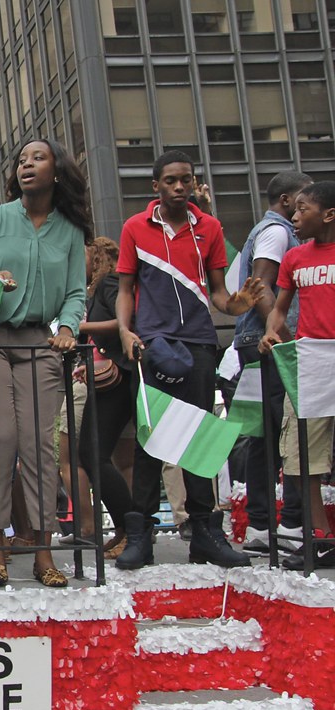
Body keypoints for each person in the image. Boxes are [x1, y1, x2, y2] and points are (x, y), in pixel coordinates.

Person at [115, 149, 264, 570]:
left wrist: (236, 306)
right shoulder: (135, 228)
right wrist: (126, 332)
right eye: (171, 181)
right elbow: (126, 289)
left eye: (186, 179)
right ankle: (140, 535)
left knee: (199, 439)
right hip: (152, 345)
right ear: (156, 186)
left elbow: (218, 292)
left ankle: (205, 534)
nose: (180, 187)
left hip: (198, 343)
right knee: (150, 440)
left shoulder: (210, 228)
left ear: (193, 183)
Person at [0, 138, 91, 588]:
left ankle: (43, 551)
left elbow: (76, 291)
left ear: (57, 170)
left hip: (43, 344)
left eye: (37, 158)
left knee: (40, 446)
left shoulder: (71, 230)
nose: (26, 165)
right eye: (21, 160)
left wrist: (68, 328)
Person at [232, 171, 313, 553]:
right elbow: (260, 285)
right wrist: (278, 336)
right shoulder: (278, 233)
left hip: (258, 340)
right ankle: (276, 525)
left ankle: (263, 527)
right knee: (282, 432)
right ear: (285, 201)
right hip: (270, 343)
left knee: (265, 433)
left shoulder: (270, 230)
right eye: (299, 202)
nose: (301, 212)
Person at [259, 181, 335, 569]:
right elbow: (279, 307)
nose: (294, 216)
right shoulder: (295, 258)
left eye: (303, 209)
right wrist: (273, 331)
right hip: (311, 363)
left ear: (328, 214)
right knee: (304, 454)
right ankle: (320, 539)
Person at [76, 236, 135, 559]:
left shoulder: (110, 283)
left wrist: (80, 325)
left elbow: (124, 321)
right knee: (94, 455)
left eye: (84, 256)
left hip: (120, 379)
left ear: (97, 258)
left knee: (92, 453)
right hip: (110, 379)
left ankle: (131, 528)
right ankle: (127, 529)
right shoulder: (97, 289)